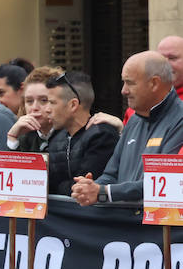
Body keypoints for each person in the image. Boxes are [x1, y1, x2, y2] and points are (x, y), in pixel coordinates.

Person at [73, 51, 183, 205]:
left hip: (156, 227)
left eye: (130, 83)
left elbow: (163, 182)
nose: (123, 90)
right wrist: (91, 187)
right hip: (125, 223)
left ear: (154, 83)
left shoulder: (179, 120)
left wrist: (104, 192)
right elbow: (111, 174)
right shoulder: (134, 120)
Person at [43, 70, 117, 196]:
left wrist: (55, 188)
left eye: (52, 103)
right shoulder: (56, 137)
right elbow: (39, 182)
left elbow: (83, 188)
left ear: (73, 104)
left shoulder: (102, 136)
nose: (47, 109)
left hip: (88, 214)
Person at [3, 66, 60, 153]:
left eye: (44, 100)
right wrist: (12, 137)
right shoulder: (25, 136)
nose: (34, 108)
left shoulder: (71, 135)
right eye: (29, 101)